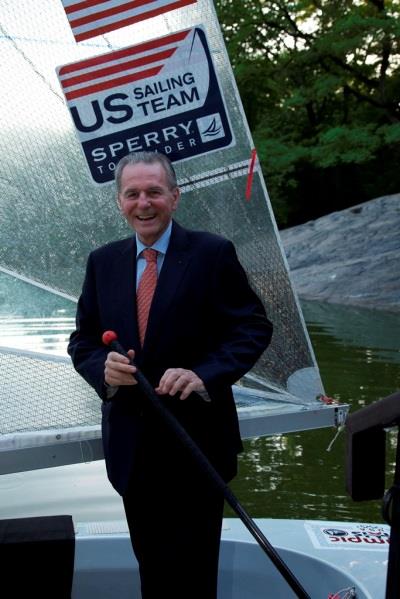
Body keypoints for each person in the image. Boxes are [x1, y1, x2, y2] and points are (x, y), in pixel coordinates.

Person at [68, 151, 272, 598]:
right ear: (120, 201)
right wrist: (102, 369)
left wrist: (204, 373)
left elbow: (253, 327)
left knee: (195, 575)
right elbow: (81, 341)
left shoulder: (212, 253)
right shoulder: (102, 261)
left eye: (154, 192)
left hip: (197, 444)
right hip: (131, 449)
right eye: (133, 193)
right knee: (153, 572)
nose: (144, 202)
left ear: (174, 197)